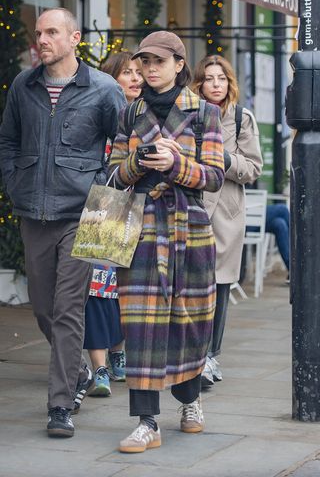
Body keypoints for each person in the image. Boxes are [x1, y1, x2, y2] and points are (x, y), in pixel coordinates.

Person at [0, 8, 125, 438]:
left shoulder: (104, 88)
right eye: (38, 33)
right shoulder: (24, 85)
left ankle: (60, 406)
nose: (42, 39)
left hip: (85, 213)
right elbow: (8, 139)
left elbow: (123, 146)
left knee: (70, 306)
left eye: (52, 32)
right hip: (33, 211)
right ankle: (77, 372)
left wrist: (104, 196)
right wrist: (14, 181)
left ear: (74, 39)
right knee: (41, 305)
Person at [108, 31, 225, 453]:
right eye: (145, 62)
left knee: (191, 319)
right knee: (140, 325)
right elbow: (114, 174)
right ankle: (146, 421)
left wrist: (178, 164)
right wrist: (137, 163)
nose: (150, 68)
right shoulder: (129, 112)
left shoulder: (205, 113)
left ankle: (190, 401)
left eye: (159, 61)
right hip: (140, 228)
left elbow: (213, 176)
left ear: (179, 64)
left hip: (189, 228)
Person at [192, 55, 263, 388]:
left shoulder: (241, 118)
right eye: (209, 78)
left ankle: (210, 357)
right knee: (193, 286)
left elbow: (253, 169)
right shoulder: (188, 115)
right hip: (193, 209)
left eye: (221, 78)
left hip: (226, 214)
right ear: (200, 83)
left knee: (220, 286)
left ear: (229, 82)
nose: (216, 84)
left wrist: (226, 158)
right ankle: (191, 355)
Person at [83, 52, 144, 397]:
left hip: (140, 208)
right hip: (103, 206)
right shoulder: (103, 110)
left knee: (125, 290)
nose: (135, 78)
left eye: (139, 72)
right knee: (96, 290)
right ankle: (99, 367)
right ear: (111, 79)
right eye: (127, 73)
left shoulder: (149, 115)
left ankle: (119, 354)